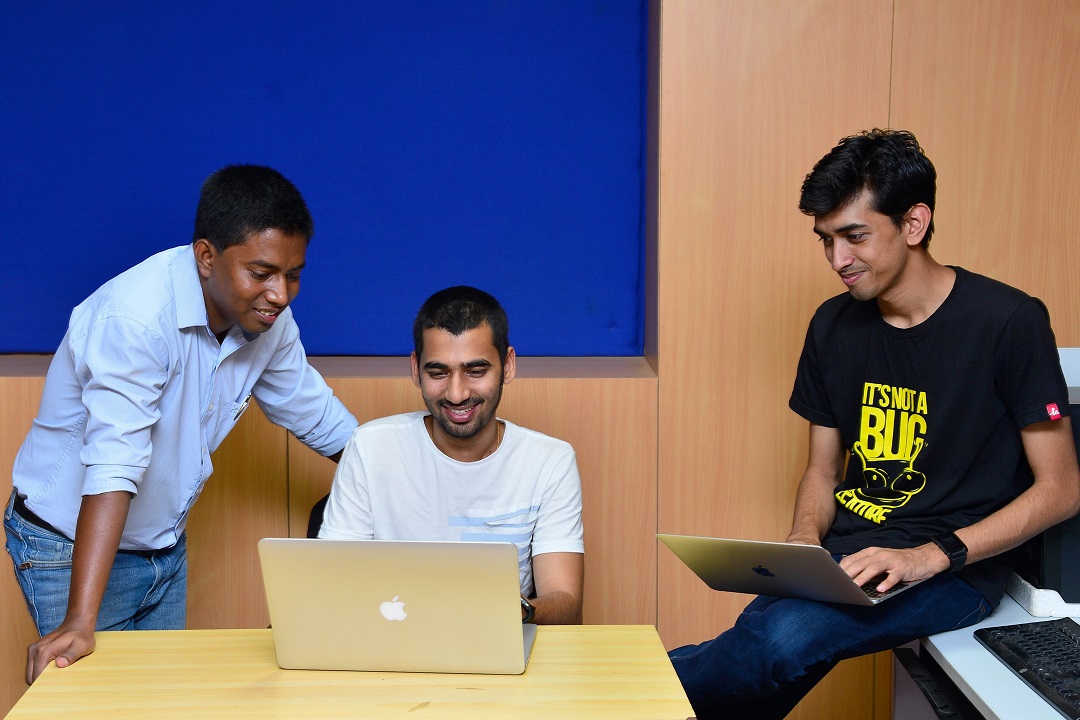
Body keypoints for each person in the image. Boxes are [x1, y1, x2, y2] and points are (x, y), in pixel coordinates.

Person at [668, 129, 1080, 718]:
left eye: (854, 236)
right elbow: (821, 468)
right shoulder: (833, 325)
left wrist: (930, 556)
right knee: (760, 661)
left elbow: (1062, 489)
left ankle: (602, 693)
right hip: (847, 556)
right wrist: (802, 542)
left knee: (773, 644)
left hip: (954, 569)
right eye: (826, 240)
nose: (838, 260)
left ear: (913, 224)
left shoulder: (1009, 321)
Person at [5, 165, 358, 683]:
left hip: (161, 545)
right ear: (206, 256)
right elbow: (114, 464)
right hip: (69, 548)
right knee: (102, 710)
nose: (280, 295)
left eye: (294, 274)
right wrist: (81, 620)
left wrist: (406, 472)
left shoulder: (268, 320)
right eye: (261, 273)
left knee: (157, 704)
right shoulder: (137, 319)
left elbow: (315, 414)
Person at [319, 286, 584, 624]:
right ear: (416, 370)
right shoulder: (370, 447)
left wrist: (516, 610)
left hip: (501, 649)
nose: (457, 394)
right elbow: (331, 584)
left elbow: (566, 604)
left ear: (508, 366)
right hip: (388, 651)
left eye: (476, 371)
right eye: (438, 373)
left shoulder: (550, 461)